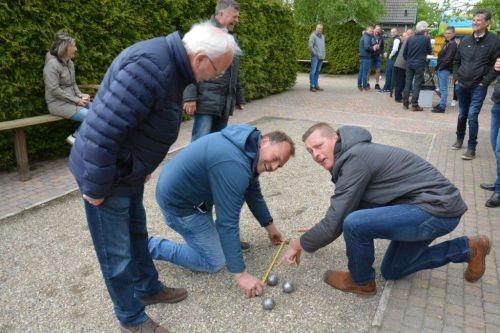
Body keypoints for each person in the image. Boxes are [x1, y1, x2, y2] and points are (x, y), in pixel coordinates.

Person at [68, 22, 240, 333]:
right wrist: (95, 187)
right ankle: (131, 318)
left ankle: (147, 287)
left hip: (127, 172)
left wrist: (142, 166)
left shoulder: (169, 66)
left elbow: (138, 122)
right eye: (216, 70)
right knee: (115, 252)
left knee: (136, 233)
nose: (215, 77)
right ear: (200, 58)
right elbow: (102, 131)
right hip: (108, 178)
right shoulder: (151, 67)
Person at [280, 122, 491, 296]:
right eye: (310, 151)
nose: (315, 154)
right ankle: (468, 248)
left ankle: (360, 281)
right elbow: (346, 207)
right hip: (425, 208)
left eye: (318, 146)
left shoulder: (356, 158)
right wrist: (317, 232)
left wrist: (300, 244)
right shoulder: (353, 156)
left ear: (335, 137)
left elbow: (341, 218)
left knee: (354, 223)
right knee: (393, 270)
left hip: (435, 209)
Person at [148, 124, 294, 298]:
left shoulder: (247, 148)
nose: (274, 166)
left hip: (194, 195)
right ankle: (146, 246)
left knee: (225, 244)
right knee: (214, 261)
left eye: (279, 165)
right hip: (180, 205)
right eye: (276, 157)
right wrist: (240, 274)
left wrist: (271, 228)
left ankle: (221, 243)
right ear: (265, 141)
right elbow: (227, 222)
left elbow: (253, 193)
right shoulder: (234, 164)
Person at [183, 0, 245, 142]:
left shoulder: (230, 37)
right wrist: (189, 97)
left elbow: (234, 71)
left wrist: (238, 97)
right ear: (221, 14)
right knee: (199, 143)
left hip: (224, 104)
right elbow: (187, 66)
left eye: (237, 17)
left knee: (216, 143)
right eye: (234, 16)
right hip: (205, 102)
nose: (237, 20)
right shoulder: (203, 33)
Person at [452, 9, 500, 160]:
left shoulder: (494, 41)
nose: (474, 22)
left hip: (478, 86)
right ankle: (459, 139)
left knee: (472, 116)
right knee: (462, 115)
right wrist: (456, 78)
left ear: (487, 23)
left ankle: (471, 148)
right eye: (474, 19)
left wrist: (484, 82)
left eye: (478, 20)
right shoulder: (465, 40)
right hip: (462, 85)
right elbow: (456, 61)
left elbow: (496, 65)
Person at [43, 32, 91, 145]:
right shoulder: (52, 65)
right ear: (65, 48)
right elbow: (54, 90)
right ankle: (75, 136)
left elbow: (73, 83)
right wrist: (77, 100)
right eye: (73, 46)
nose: (76, 49)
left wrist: (80, 95)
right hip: (58, 104)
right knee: (92, 117)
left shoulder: (70, 63)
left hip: (72, 100)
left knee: (100, 110)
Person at [480, 58, 500, 207]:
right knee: (495, 147)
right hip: (498, 104)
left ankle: (499, 191)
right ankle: (498, 182)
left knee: (499, 148)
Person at [402, 21, 432, 111]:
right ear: (424, 29)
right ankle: (414, 105)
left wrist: (409, 60)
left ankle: (405, 104)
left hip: (409, 64)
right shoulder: (426, 38)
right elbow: (429, 51)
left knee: (408, 83)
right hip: (419, 64)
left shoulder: (410, 38)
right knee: (417, 84)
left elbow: (404, 53)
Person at [432, 26, 458, 113]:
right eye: (446, 33)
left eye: (449, 33)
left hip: (445, 68)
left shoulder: (452, 44)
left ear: (454, 34)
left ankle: (442, 106)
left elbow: (448, 58)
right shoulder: (447, 43)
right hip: (441, 67)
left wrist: (439, 67)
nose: (447, 35)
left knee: (443, 88)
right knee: (441, 87)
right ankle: (441, 103)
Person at [393, 29, 414, 102]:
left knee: (400, 81)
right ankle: (398, 98)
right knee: (400, 81)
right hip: (402, 64)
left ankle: (398, 97)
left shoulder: (406, 40)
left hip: (399, 63)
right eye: (410, 34)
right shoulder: (408, 41)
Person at [380, 28, 400, 93]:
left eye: (394, 32)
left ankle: (386, 88)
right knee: (391, 74)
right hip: (394, 59)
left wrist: (390, 56)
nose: (392, 33)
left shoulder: (396, 39)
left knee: (389, 74)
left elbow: (395, 49)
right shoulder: (396, 38)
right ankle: (389, 88)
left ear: (397, 32)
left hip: (392, 59)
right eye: (391, 32)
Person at [308, 24, 326, 92]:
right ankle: (312, 86)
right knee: (313, 71)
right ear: (316, 28)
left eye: (321, 28)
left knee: (317, 71)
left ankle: (316, 85)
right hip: (315, 57)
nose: (319, 30)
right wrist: (315, 54)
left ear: (322, 29)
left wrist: (324, 55)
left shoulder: (323, 36)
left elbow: (323, 46)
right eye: (318, 28)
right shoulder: (313, 36)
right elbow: (310, 47)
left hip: (321, 57)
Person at [357, 26, 374, 91]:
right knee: (365, 72)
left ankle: (359, 85)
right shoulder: (366, 37)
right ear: (366, 30)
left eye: (372, 31)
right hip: (366, 57)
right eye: (370, 30)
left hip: (363, 56)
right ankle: (364, 86)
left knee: (361, 72)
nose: (371, 32)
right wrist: (373, 48)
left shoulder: (365, 36)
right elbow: (366, 47)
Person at [371, 26, 384, 90]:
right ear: (374, 29)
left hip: (378, 56)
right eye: (376, 29)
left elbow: (382, 47)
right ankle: (367, 83)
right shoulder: (370, 36)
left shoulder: (381, 37)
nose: (377, 30)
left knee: (378, 70)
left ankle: (377, 84)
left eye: (379, 29)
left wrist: (381, 53)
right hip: (371, 55)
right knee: (368, 70)